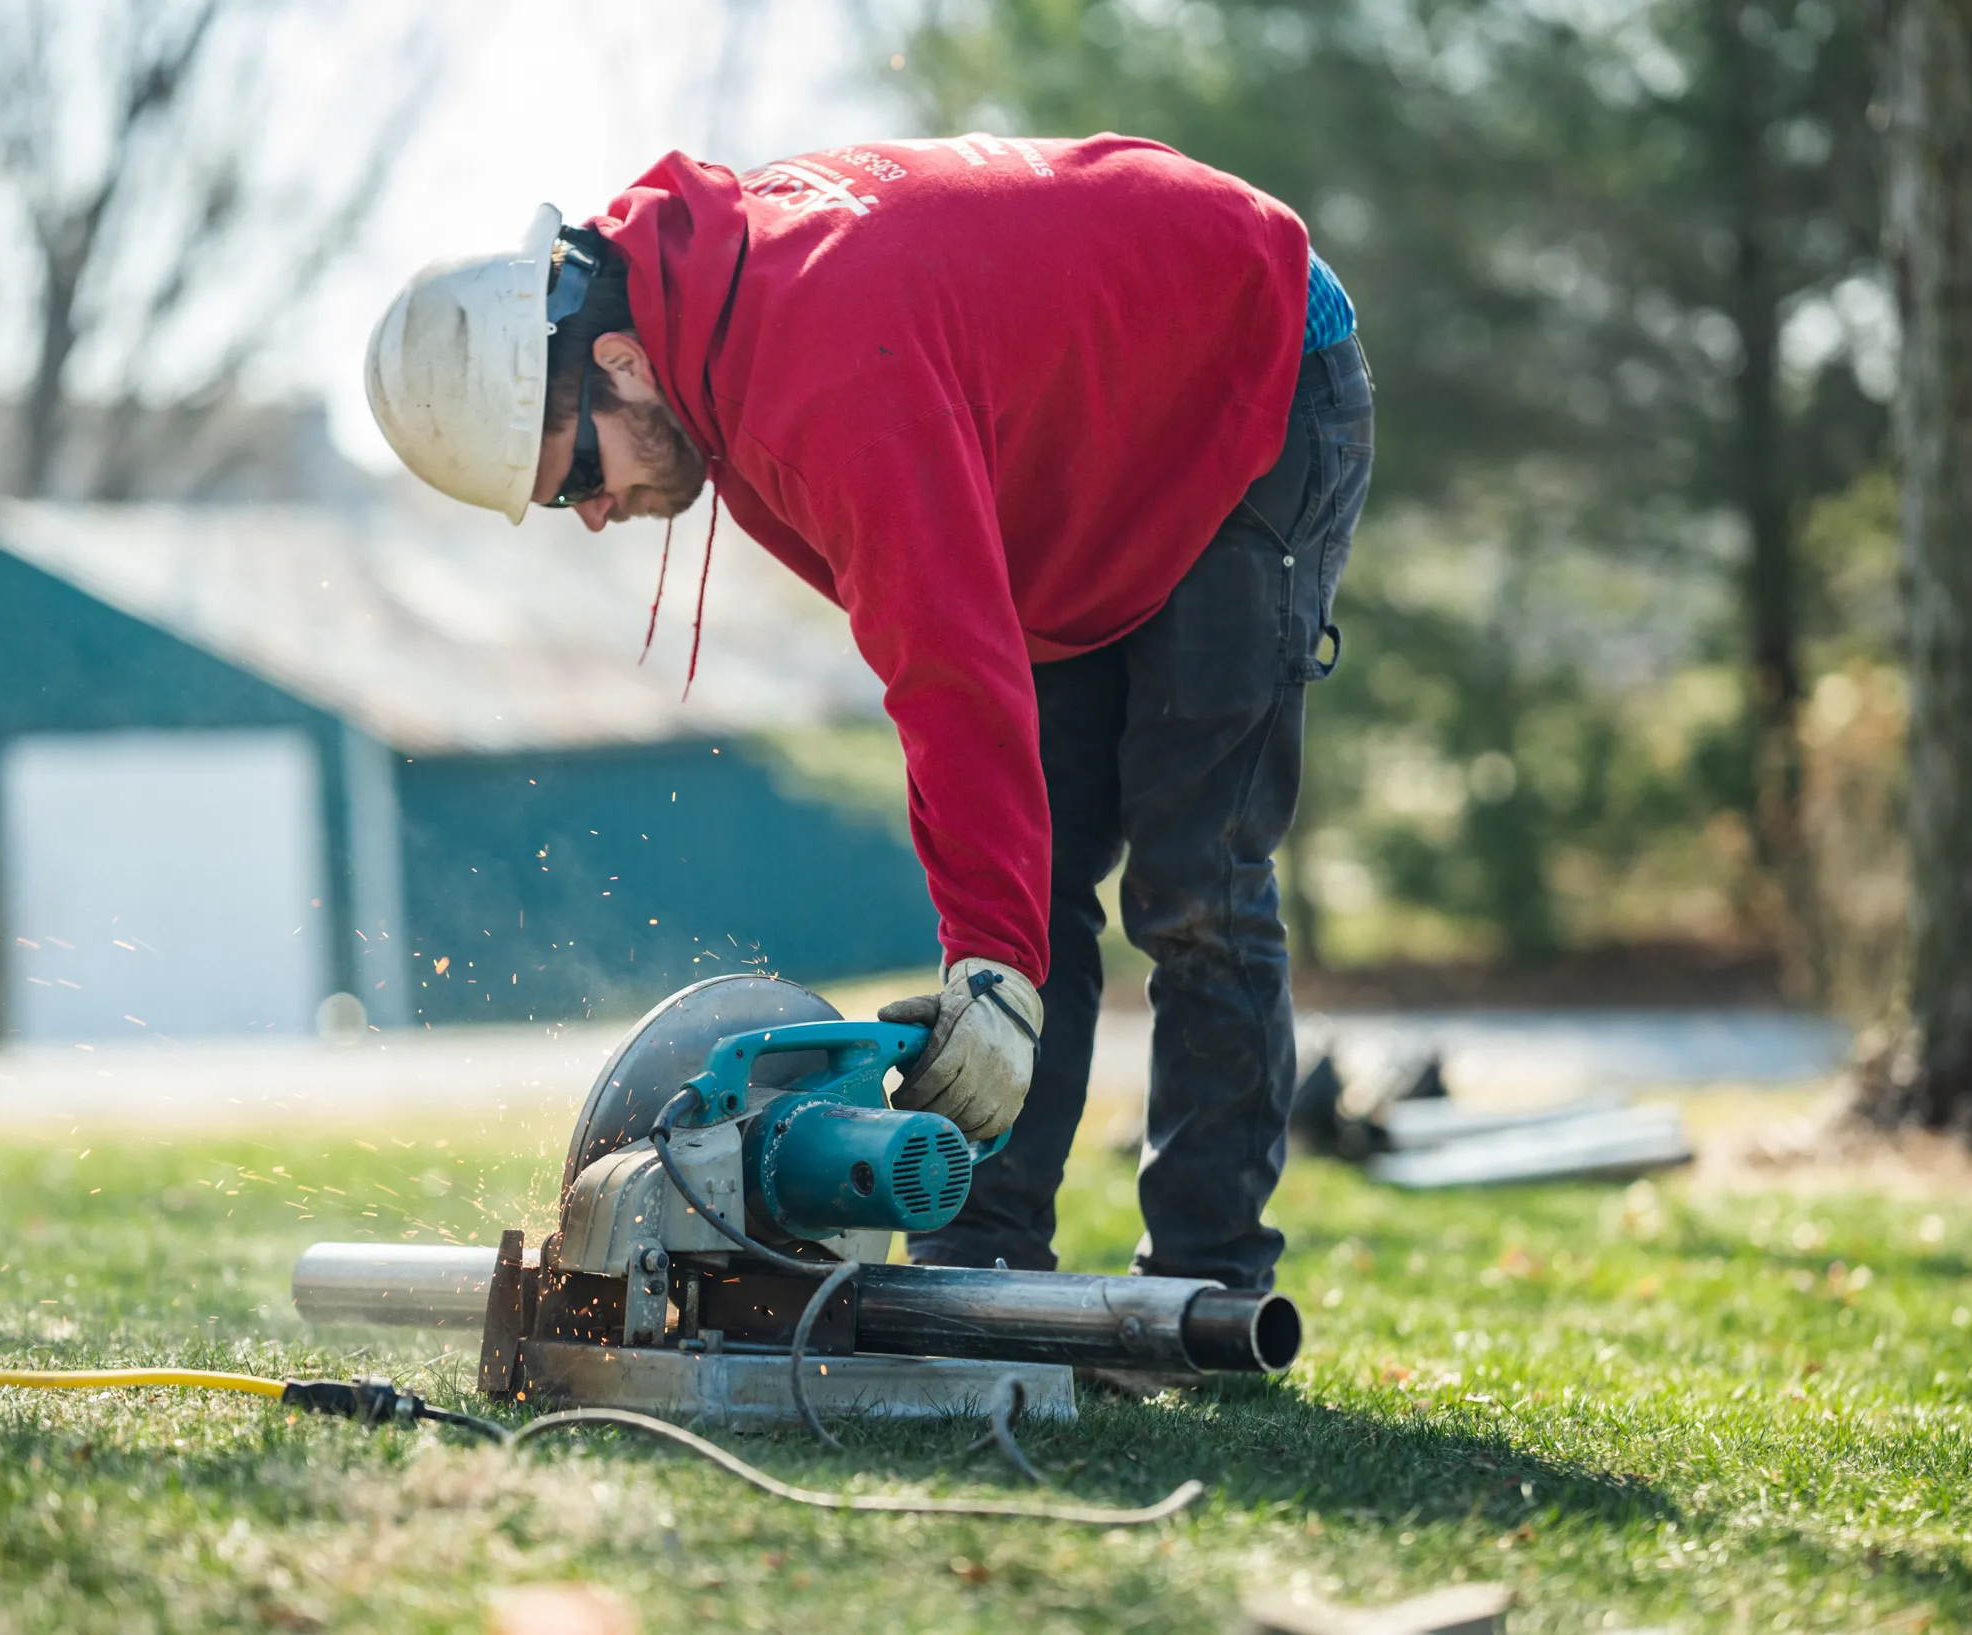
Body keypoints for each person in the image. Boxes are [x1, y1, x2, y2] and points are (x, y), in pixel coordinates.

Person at [366, 135, 1371, 1293]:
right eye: (561, 505)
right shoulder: (709, 325)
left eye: (573, 476)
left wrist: (989, 964)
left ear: (619, 363)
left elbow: (948, 663)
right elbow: (957, 658)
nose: (592, 514)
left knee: (1195, 880)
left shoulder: (817, 375)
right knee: (1035, 883)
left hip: (1252, 358)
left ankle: (1209, 1286)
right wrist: (999, 941)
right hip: (1097, 418)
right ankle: (976, 1262)